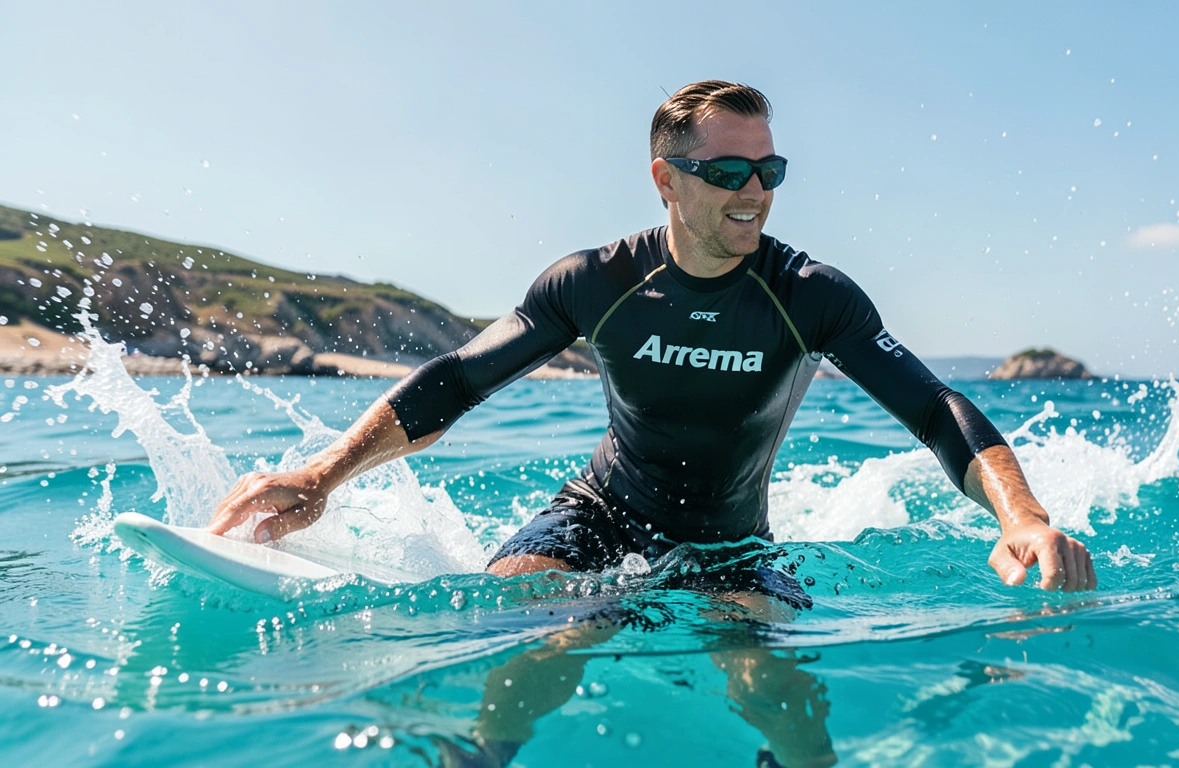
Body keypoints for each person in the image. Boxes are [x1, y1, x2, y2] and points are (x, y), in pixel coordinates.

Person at [208, 80, 1096, 765]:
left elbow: (935, 411)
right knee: (535, 623)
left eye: (770, 171)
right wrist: (323, 474)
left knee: (776, 687)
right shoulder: (597, 282)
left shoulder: (809, 295)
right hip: (598, 509)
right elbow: (457, 381)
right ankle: (476, 755)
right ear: (666, 179)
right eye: (728, 172)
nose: (756, 191)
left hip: (730, 539)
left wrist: (1022, 517)